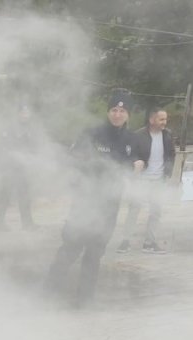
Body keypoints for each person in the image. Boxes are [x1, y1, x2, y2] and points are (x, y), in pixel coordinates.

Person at [47, 89, 143, 306]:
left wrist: (138, 165)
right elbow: (76, 161)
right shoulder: (92, 134)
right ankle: (48, 292)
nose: (117, 114)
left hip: (110, 205)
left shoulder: (132, 140)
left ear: (128, 115)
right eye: (114, 110)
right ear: (108, 112)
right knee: (70, 248)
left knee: (95, 252)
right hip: (86, 202)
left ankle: (85, 298)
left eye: (122, 111)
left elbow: (133, 164)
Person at [119, 107, 176, 254]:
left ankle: (149, 243)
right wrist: (135, 166)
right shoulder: (138, 135)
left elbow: (171, 154)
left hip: (159, 180)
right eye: (161, 119)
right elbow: (131, 154)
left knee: (156, 212)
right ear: (151, 120)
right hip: (141, 179)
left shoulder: (167, 135)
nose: (164, 122)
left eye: (165, 119)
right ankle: (125, 241)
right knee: (134, 209)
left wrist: (168, 173)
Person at [0, 103, 35, 232]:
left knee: (25, 196)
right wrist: (15, 156)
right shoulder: (11, 127)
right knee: (5, 196)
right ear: (18, 114)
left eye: (27, 113)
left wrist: (30, 158)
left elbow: (31, 147)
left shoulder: (28, 128)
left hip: (22, 168)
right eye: (24, 113)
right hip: (9, 167)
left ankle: (27, 224)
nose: (26, 115)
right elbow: (5, 146)